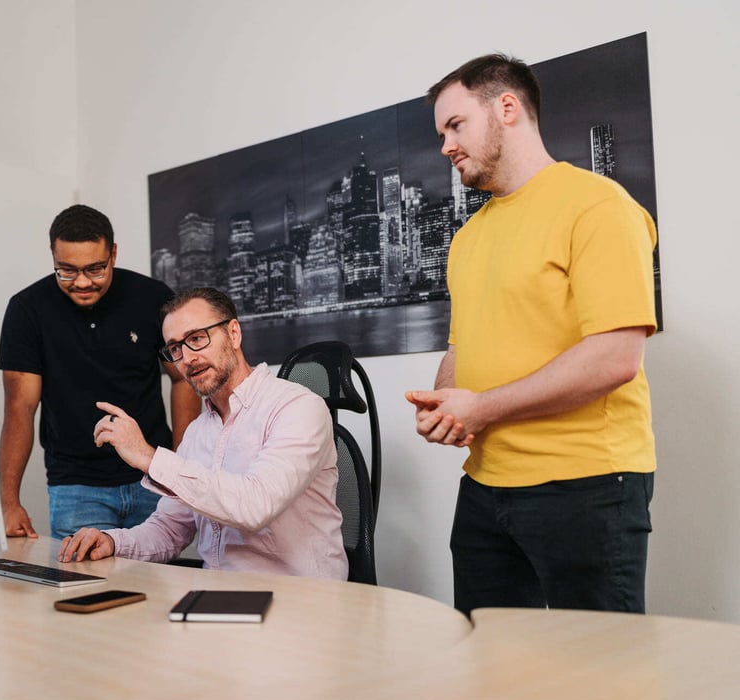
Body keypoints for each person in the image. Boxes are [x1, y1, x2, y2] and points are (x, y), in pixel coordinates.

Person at [406, 54, 658, 616]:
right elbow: (461, 347)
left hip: (588, 486)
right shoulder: (468, 238)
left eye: (455, 125)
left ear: (507, 108)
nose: (445, 146)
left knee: (599, 683)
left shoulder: (598, 205)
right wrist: (446, 403)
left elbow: (615, 358)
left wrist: (482, 408)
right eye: (442, 132)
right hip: (485, 489)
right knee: (491, 675)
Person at [57, 287, 347, 580]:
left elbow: (256, 506)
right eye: (175, 348)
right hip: (219, 600)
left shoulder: (298, 407)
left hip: (301, 602)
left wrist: (149, 457)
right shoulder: (197, 433)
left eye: (197, 338)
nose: (187, 358)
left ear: (233, 334)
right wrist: (112, 541)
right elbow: (169, 530)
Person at [0, 204, 200, 539]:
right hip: (76, 487)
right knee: (86, 588)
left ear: (113, 254)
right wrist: (8, 503)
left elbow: (183, 379)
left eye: (95, 269)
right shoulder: (27, 310)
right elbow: (20, 408)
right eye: (66, 270)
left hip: (152, 474)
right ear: (52, 256)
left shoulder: (152, 298)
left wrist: (178, 466)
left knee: (160, 588)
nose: (81, 282)